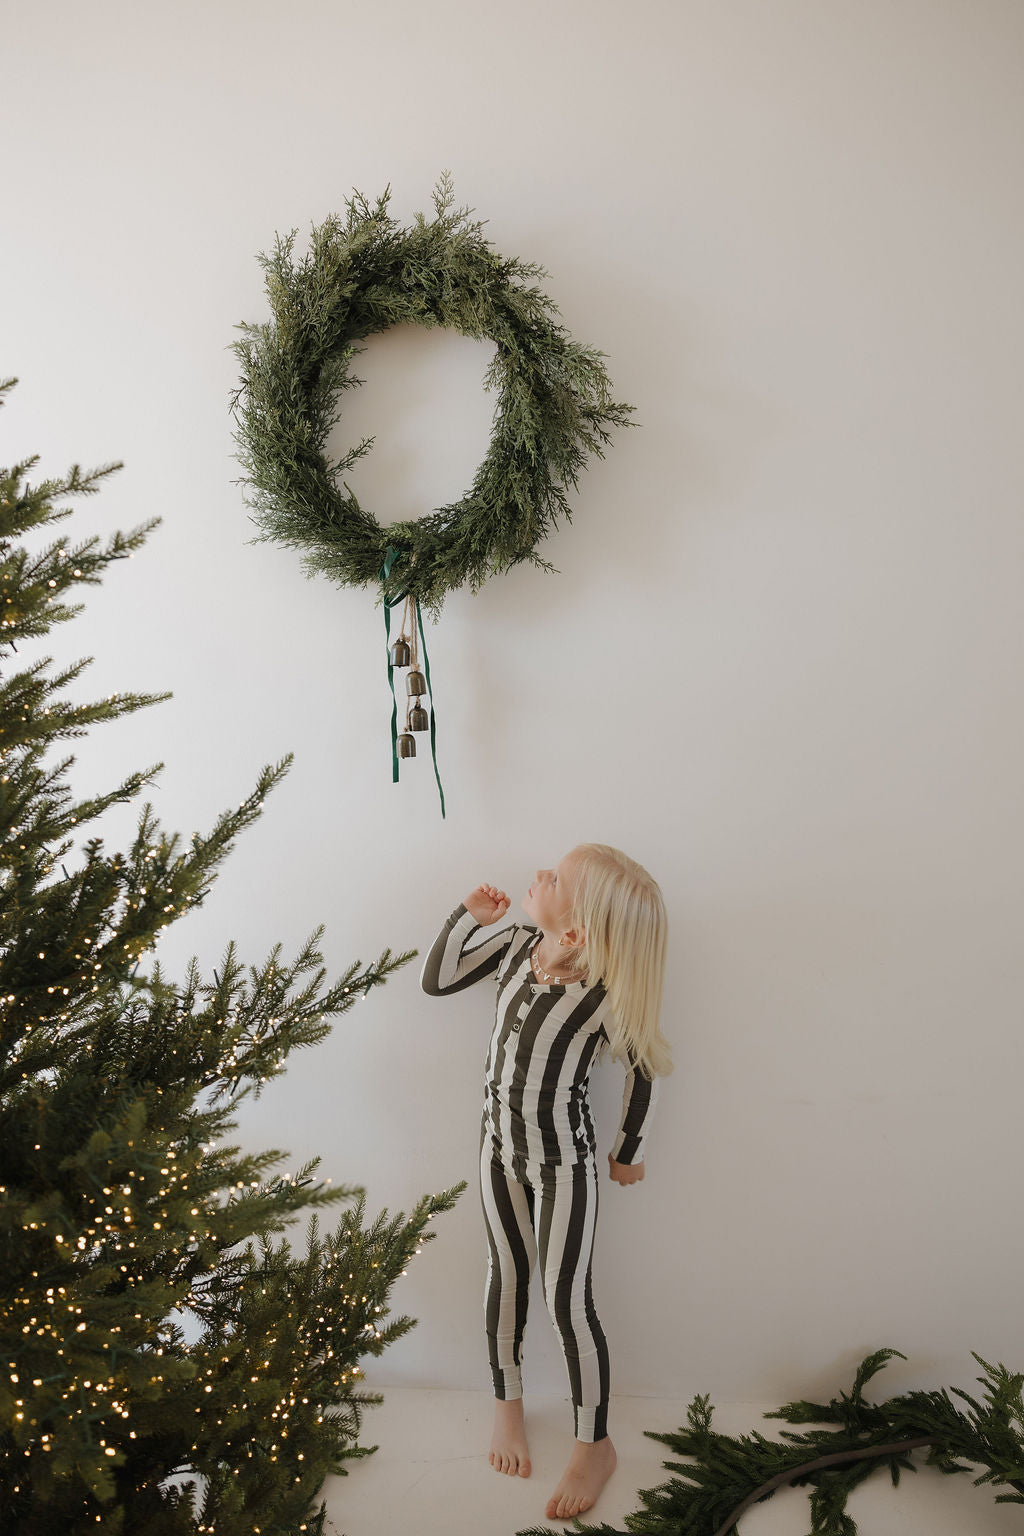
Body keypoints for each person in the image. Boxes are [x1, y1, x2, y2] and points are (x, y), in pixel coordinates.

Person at [420, 843, 672, 1521]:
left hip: (563, 1163)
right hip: (497, 1149)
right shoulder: (516, 948)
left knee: (568, 1301)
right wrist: (466, 918)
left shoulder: (603, 994)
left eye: (555, 879)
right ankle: (508, 1407)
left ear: (581, 925)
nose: (539, 876)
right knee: (505, 1276)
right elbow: (437, 979)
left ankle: (595, 1444)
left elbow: (643, 1068)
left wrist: (628, 1151)